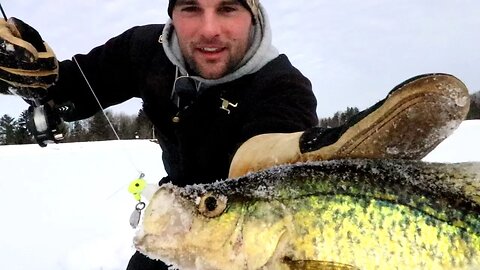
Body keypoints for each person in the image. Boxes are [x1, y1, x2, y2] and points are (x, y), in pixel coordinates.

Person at [0, 0, 470, 269]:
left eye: (227, 7)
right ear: (173, 14)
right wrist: (37, 80)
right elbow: (76, 87)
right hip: (184, 219)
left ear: (253, 15)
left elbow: (264, 147)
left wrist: (292, 151)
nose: (208, 29)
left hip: (242, 226)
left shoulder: (282, 84)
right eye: (191, 8)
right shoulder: (143, 50)